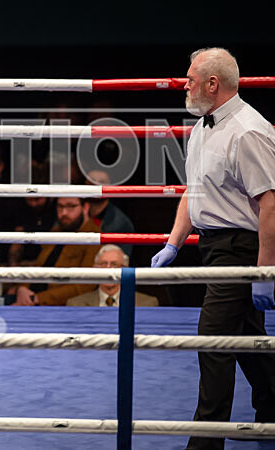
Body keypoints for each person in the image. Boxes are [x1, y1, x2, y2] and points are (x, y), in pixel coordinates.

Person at [151, 48, 275, 449]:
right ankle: (272, 408)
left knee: (213, 341)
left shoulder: (248, 131)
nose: (184, 85)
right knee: (247, 340)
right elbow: (195, 190)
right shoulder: (202, 127)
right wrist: (173, 242)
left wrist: (264, 271)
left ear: (212, 83)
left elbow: (270, 204)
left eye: (190, 79)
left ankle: (205, 443)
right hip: (214, 247)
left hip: (242, 248)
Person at [12, 197, 100, 306]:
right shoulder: (56, 231)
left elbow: (85, 286)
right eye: (60, 206)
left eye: (71, 206)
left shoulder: (94, 238)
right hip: (32, 298)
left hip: (59, 306)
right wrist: (22, 288)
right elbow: (39, 266)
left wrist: (37, 298)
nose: (64, 213)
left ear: (85, 207)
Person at [66, 244, 157, 306]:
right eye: (103, 264)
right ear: (95, 269)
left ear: (125, 269)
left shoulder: (146, 303)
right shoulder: (76, 304)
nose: (108, 269)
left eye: (114, 264)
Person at [84, 169, 135, 257]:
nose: (96, 185)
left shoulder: (120, 223)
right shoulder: (73, 214)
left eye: (102, 182)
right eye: (92, 181)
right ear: (85, 184)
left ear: (110, 186)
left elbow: (119, 260)